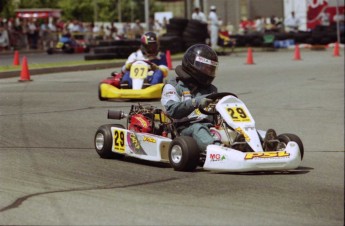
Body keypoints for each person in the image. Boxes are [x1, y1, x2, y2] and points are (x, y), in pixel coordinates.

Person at [161, 44, 219, 152]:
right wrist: (196, 102)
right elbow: (172, 110)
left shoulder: (211, 89)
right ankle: (217, 151)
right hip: (184, 130)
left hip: (210, 128)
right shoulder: (173, 86)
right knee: (198, 128)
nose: (209, 72)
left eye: (211, 69)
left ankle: (252, 146)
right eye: (205, 68)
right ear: (192, 65)